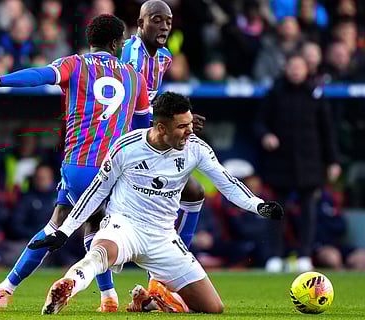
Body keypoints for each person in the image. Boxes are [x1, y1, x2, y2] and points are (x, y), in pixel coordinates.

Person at [29, 92, 284, 315]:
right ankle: (68, 286)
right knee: (100, 254)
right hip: (124, 226)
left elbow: (226, 182)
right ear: (161, 128)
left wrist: (258, 205)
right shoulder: (126, 147)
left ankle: (154, 301)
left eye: (190, 123)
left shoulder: (195, 148)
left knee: (212, 308)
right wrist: (64, 230)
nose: (190, 131)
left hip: (163, 237)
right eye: (182, 126)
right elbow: (97, 191)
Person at [0, 14, 150, 311]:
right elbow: (144, 130)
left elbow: (40, 75)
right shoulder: (134, 77)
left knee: (57, 225)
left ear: (91, 40)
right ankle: (108, 298)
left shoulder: (75, 64)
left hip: (78, 166)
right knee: (96, 230)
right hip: (113, 170)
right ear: (117, 43)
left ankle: (5, 289)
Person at [120, 0, 206, 305]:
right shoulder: (131, 53)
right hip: (125, 140)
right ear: (141, 23)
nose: (164, 26)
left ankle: (163, 276)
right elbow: (132, 102)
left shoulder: (165, 57)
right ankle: (156, 279)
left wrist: (182, 119)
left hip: (149, 135)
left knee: (194, 192)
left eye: (168, 21)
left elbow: (156, 103)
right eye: (157, 20)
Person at [254, 55, 341, 272]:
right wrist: (266, 135)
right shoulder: (275, 92)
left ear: (306, 69)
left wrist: (332, 161)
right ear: (286, 69)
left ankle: (304, 255)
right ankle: (274, 256)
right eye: (291, 67)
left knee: (309, 212)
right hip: (280, 162)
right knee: (275, 211)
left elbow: (327, 131)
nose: (295, 71)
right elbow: (258, 123)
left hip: (309, 163)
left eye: (299, 67)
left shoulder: (315, 93)